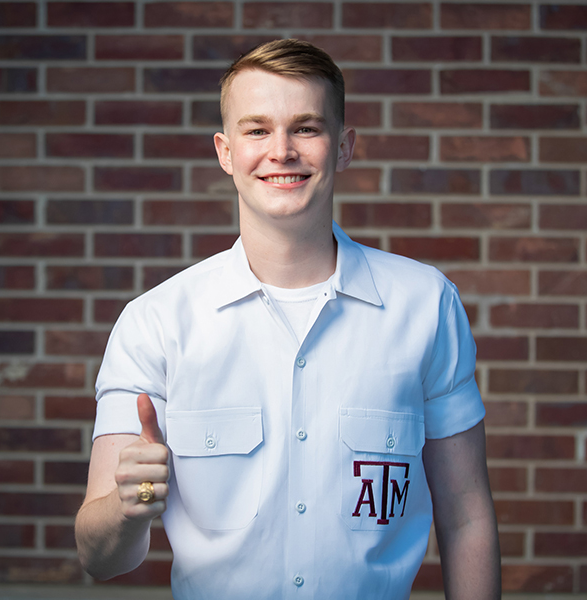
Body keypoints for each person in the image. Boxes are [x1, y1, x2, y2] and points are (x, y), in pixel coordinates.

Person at [75, 39, 501, 599]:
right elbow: (99, 559)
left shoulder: (426, 306)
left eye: (306, 128)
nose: (281, 151)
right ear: (225, 152)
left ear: (343, 147)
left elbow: (467, 516)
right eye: (257, 130)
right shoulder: (155, 323)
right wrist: (129, 509)